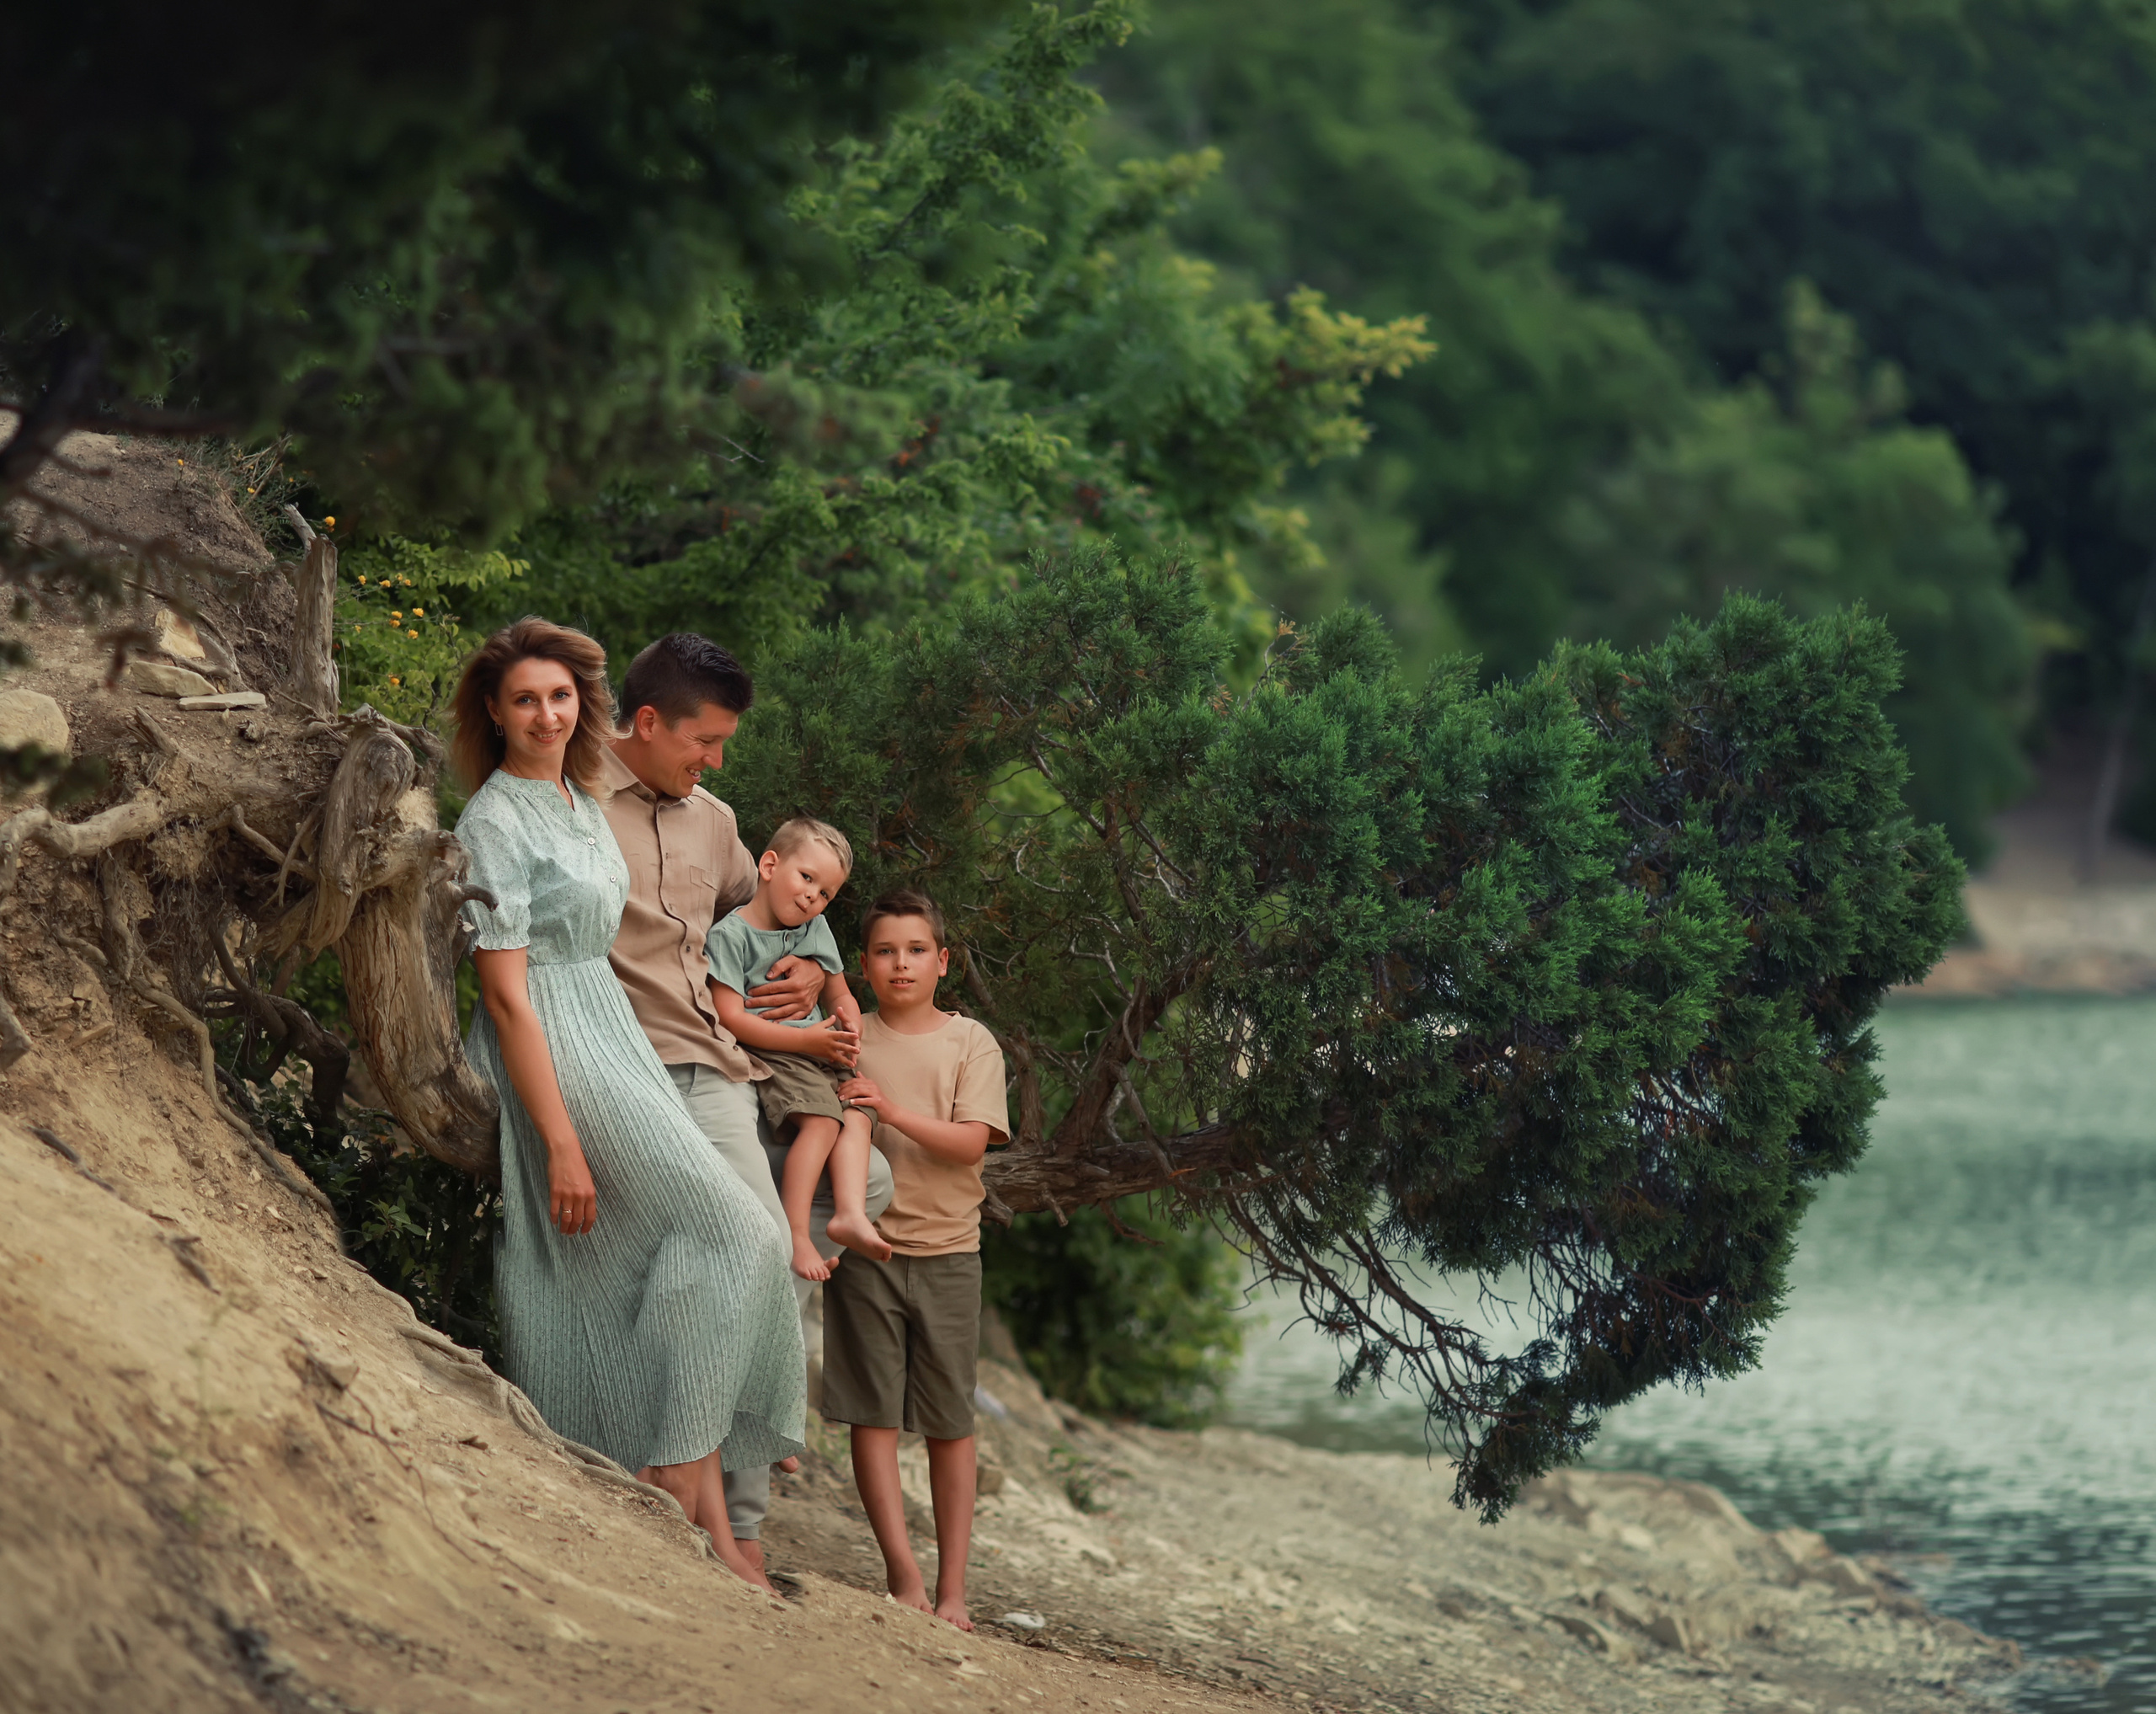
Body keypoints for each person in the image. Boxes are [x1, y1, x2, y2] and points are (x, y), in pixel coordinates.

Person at [450, 617, 805, 1592]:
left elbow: (746, 900)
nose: (546, 713)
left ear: (583, 707)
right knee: (739, 1228)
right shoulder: (492, 821)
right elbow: (503, 993)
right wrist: (560, 1140)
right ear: (494, 709)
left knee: (714, 1240)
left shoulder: (577, 798)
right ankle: (671, 1474)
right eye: (525, 698)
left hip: (614, 1027)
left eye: (560, 696)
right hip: (555, 1038)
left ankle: (690, 1493)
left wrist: (810, 980)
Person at [596, 631, 894, 1572]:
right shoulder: (570, 806)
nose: (717, 762)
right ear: (648, 723)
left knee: (862, 1185)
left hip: (720, 1065)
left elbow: (763, 918)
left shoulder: (715, 822)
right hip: (629, 1066)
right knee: (755, 1241)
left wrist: (809, 967)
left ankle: (732, 1486)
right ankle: (736, 1514)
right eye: (707, 741)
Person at [823, 889, 1010, 1631]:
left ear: (942, 959)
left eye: (915, 949)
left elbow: (972, 1142)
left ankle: (954, 1591)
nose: (901, 963)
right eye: (884, 951)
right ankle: (903, 1575)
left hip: (948, 1255)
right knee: (870, 1414)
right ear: (863, 966)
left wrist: (892, 1111)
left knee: (948, 1422)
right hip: (866, 1248)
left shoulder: (971, 1042)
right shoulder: (846, 1035)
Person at [705, 818, 892, 1282]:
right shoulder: (732, 935)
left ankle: (849, 1211)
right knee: (822, 1120)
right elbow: (731, 1017)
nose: (813, 896)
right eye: (806, 878)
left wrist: (848, 1015)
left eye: (825, 892)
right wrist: (807, 1040)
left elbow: (837, 991)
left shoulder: (815, 929)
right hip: (782, 1052)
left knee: (857, 1111)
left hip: (822, 1048)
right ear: (770, 864)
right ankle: (796, 1232)